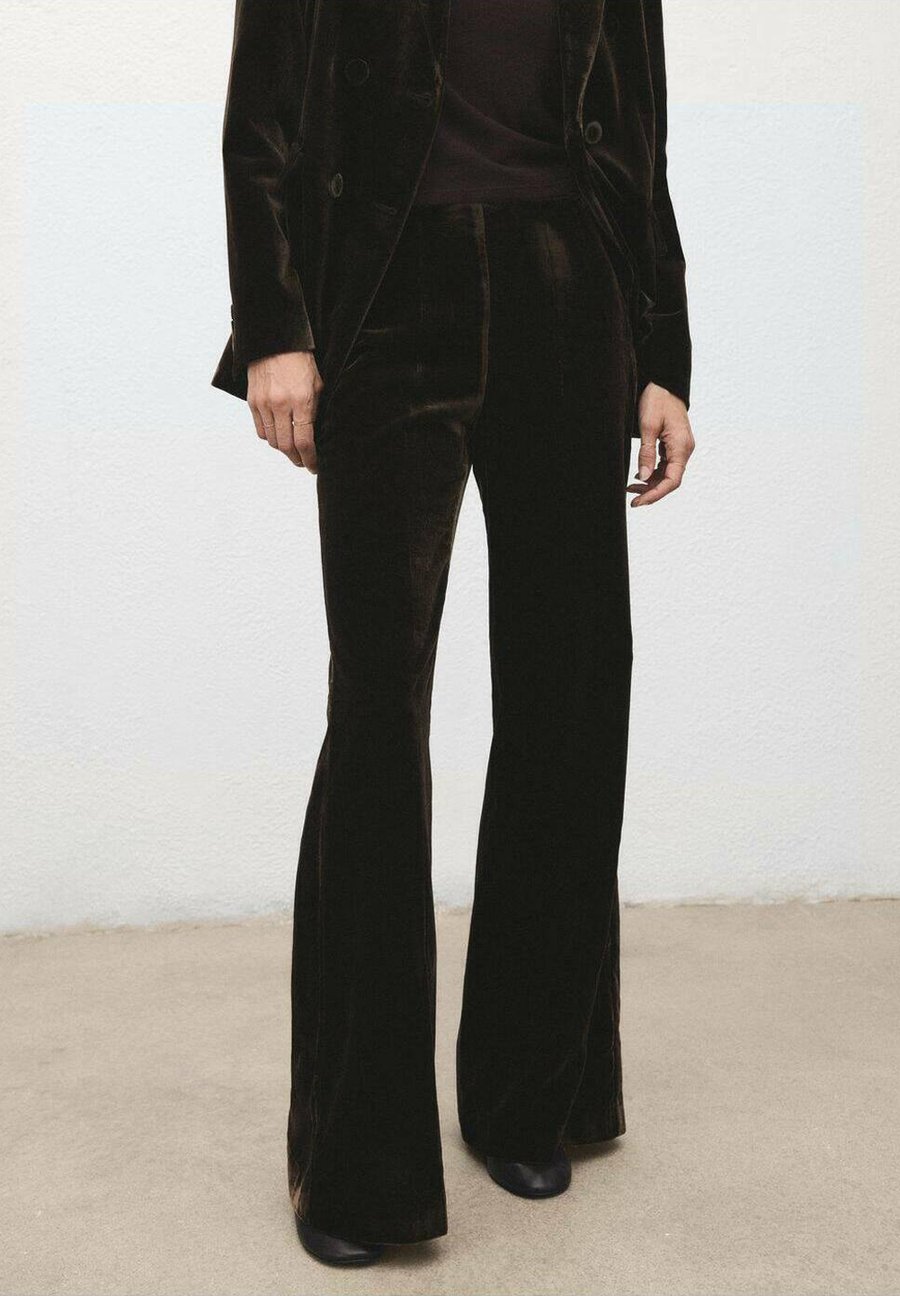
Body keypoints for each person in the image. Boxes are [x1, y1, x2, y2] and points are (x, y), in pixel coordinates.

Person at [212, 0, 695, 1268]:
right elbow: (259, 126)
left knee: (569, 695)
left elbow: (639, 133)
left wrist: (663, 353)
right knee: (380, 714)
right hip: (385, 295)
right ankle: (355, 1158)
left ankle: (529, 1092)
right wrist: (275, 327)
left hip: (569, 289)